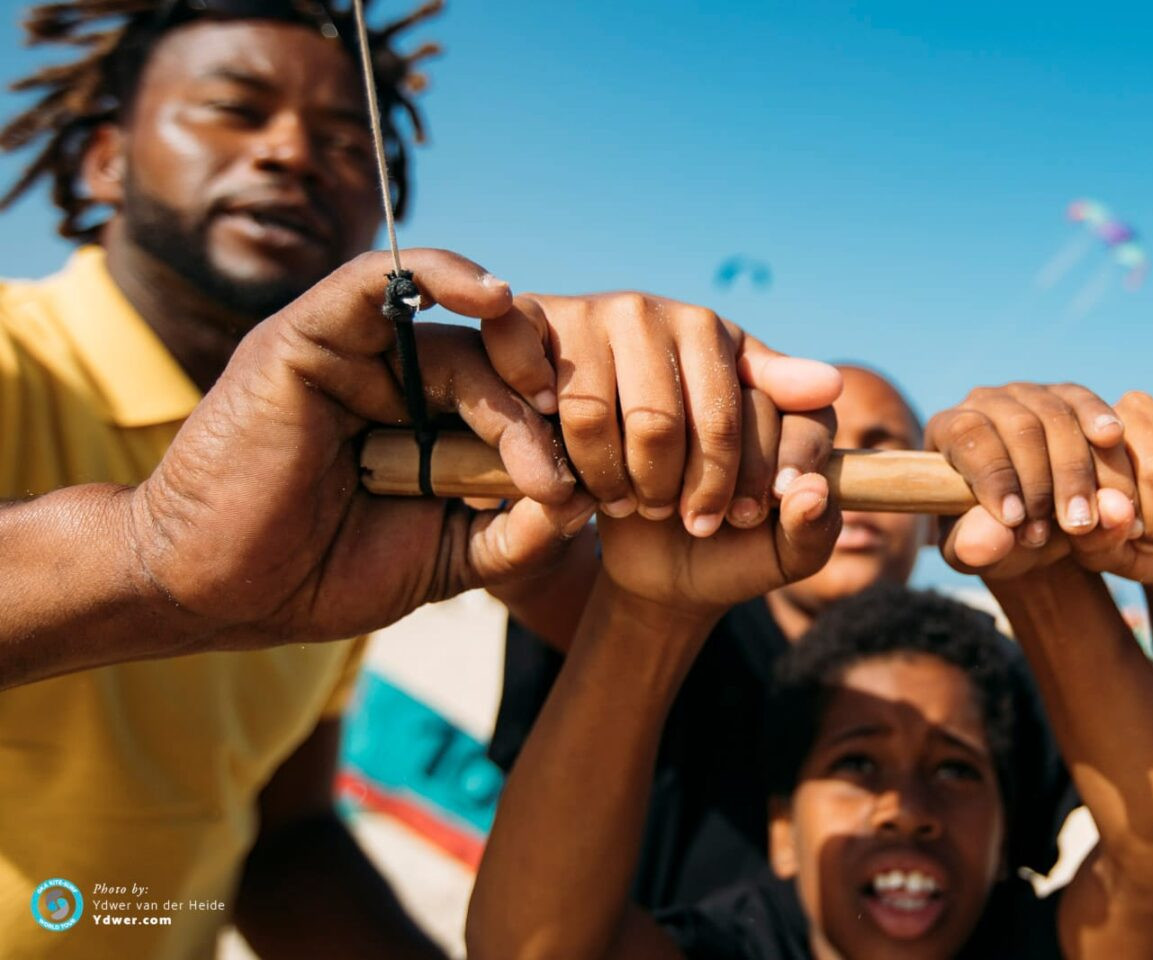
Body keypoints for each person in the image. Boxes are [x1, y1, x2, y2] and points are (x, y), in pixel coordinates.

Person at [0, 2, 839, 956]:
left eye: (351, 143)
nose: (292, 153)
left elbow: (280, 837)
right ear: (106, 157)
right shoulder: (14, 358)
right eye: (235, 109)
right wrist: (148, 552)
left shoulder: (363, 466)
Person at [486, 364, 1153, 910]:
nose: (845, 476)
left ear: (934, 506)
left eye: (880, 446)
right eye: (814, 445)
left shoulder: (983, 672)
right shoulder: (671, 630)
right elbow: (526, 566)